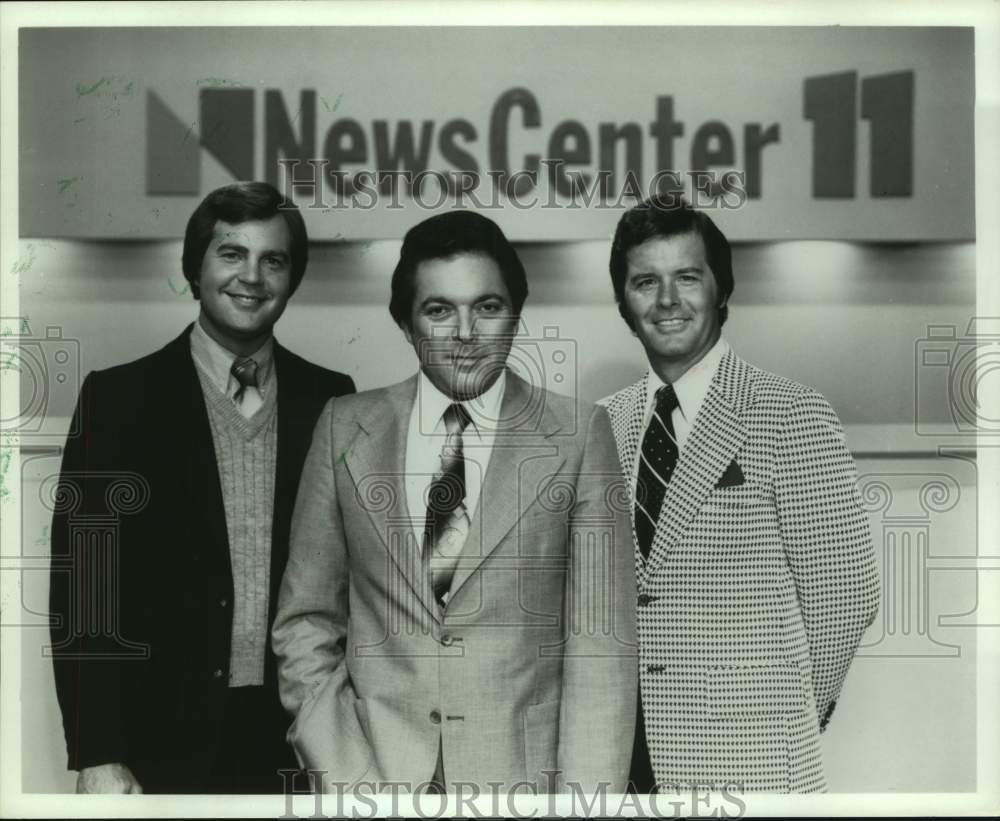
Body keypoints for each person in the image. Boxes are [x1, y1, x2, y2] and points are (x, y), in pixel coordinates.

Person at [272, 210, 636, 794]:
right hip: (374, 780)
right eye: (439, 310)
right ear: (406, 322)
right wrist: (353, 780)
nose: (465, 332)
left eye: (487, 307)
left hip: (522, 787)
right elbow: (305, 625)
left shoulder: (578, 434)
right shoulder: (345, 428)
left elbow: (601, 651)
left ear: (515, 315)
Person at [48, 181, 356, 794]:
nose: (253, 276)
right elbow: (85, 589)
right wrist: (96, 751)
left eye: (274, 259)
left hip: (298, 737)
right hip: (157, 743)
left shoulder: (331, 399)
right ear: (195, 268)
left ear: (292, 279)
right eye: (231, 254)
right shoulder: (118, 401)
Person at [600, 196, 879, 793]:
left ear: (721, 290)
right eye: (645, 281)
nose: (667, 300)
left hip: (749, 756)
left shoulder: (791, 414)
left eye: (688, 277)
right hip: (622, 759)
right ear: (624, 302)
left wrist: (792, 711)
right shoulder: (604, 423)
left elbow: (846, 595)